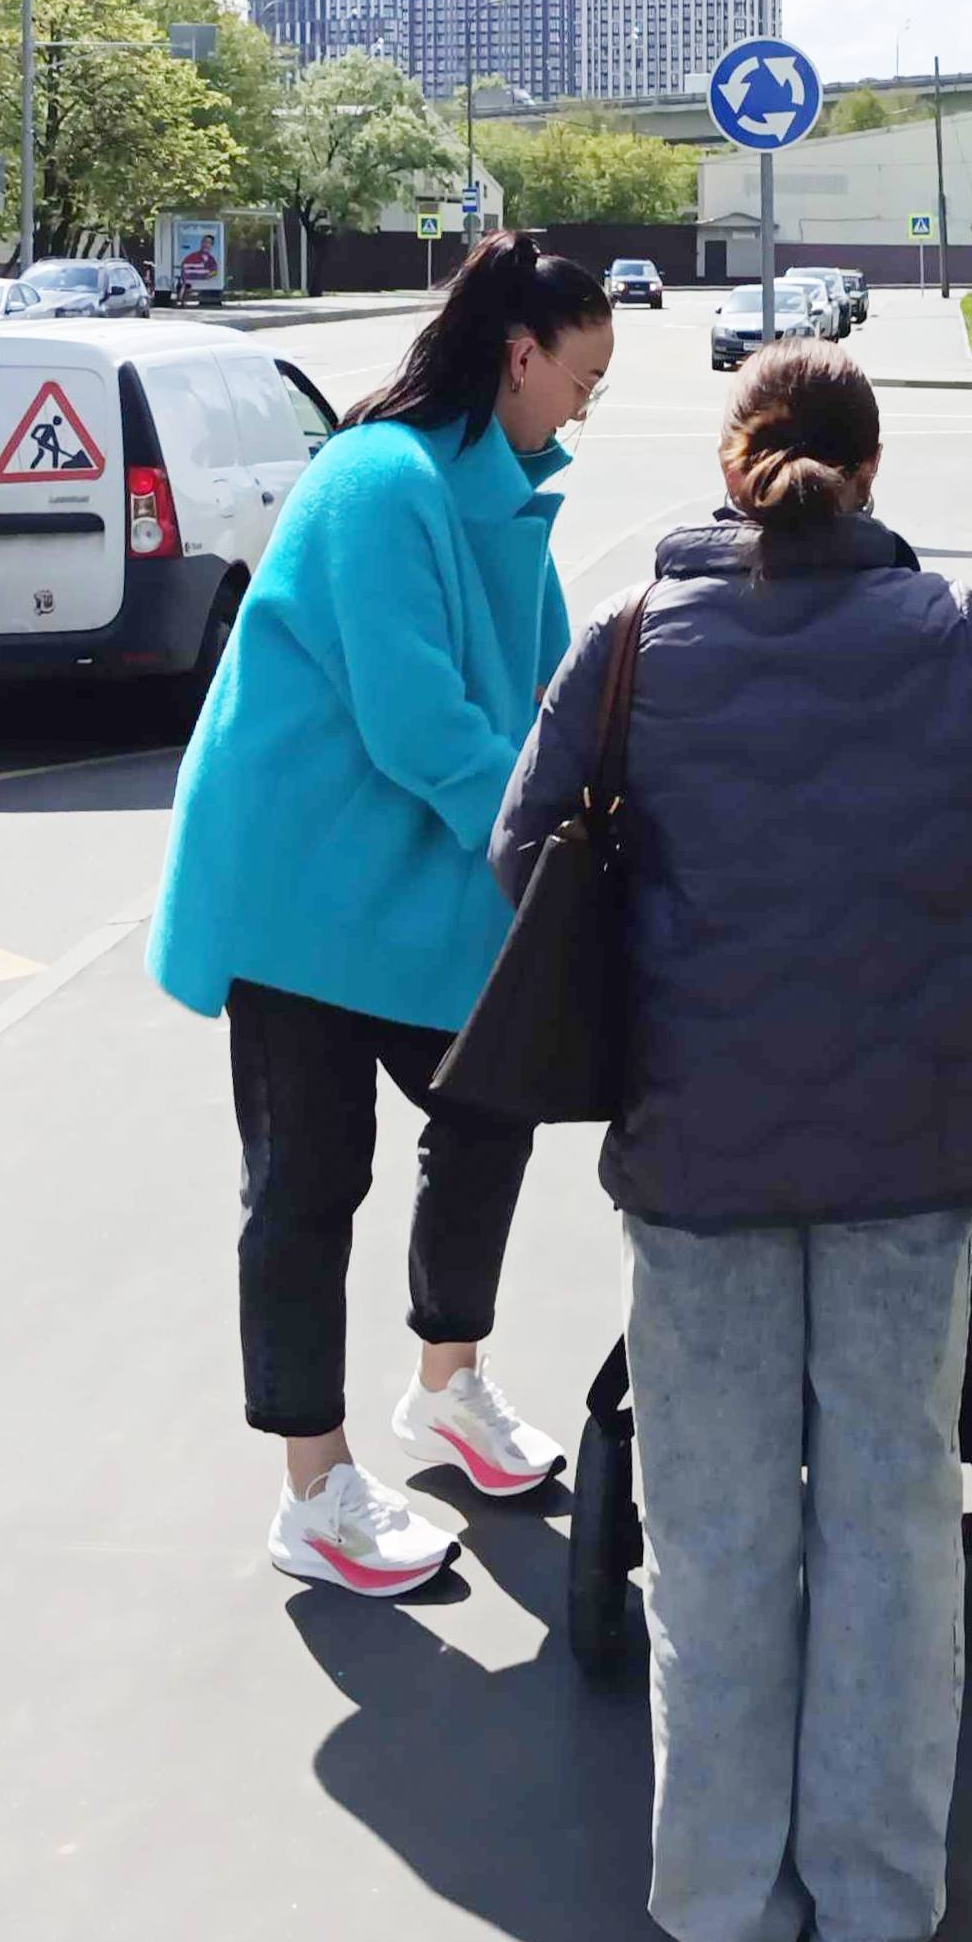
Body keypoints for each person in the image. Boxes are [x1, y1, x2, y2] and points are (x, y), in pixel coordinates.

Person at [494, 340, 972, 1942]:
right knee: (894, 1532)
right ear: (870, 468)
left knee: (712, 1549)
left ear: (730, 462)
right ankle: (871, 1929)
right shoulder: (953, 636)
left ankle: (721, 1931)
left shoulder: (629, 643)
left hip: (698, 1158)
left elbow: (518, 856)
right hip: (913, 1162)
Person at [144, 230, 617, 1597]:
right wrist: (548, 854)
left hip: (407, 881)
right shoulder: (377, 478)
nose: (589, 402)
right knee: (306, 1179)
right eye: (583, 373)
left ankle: (445, 1381)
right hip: (299, 888)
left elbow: (532, 711)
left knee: (488, 1109)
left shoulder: (503, 492)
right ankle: (313, 1483)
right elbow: (425, 725)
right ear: (518, 356)